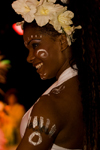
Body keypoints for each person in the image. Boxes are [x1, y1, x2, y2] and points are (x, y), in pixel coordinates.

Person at [11, 0, 100, 149]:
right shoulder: (89, 91)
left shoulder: (51, 104)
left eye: (35, 45)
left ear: (62, 41)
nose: (29, 57)